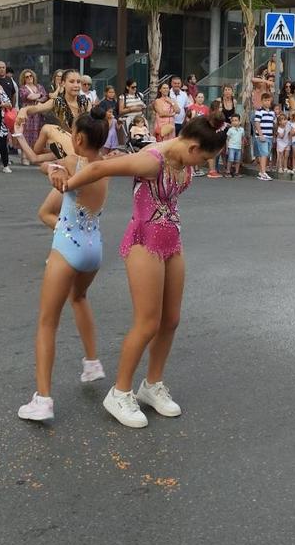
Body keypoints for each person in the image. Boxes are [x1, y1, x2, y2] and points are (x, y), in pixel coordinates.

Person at [61, 113, 228, 428]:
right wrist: (67, 184)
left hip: (172, 240)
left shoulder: (183, 157)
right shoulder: (152, 161)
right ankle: (119, 392)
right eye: (205, 158)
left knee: (171, 320)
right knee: (148, 322)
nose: (204, 164)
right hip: (143, 242)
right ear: (193, 148)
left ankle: (152, 385)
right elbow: (99, 168)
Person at [17, 109, 113, 423]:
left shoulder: (73, 162)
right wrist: (54, 167)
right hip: (94, 249)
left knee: (47, 322)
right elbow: (53, 169)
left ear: (79, 138)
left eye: (72, 132)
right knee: (79, 297)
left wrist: (53, 166)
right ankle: (92, 362)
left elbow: (43, 164)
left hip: (68, 247)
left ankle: (43, 399)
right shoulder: (105, 166)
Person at [17, 69, 48, 163]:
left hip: (38, 114)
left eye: (30, 76)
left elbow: (45, 97)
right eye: (27, 77)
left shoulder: (39, 86)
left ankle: (36, 157)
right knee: (26, 135)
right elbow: (29, 97)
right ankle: (25, 157)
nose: (29, 78)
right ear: (24, 79)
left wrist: (38, 97)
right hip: (28, 113)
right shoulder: (22, 88)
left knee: (38, 135)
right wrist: (40, 95)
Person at [253, 95, 276, 180]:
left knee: (265, 154)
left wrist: (274, 135)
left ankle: (261, 171)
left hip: (269, 136)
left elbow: (273, 124)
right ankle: (263, 172)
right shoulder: (259, 111)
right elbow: (257, 123)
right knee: (264, 154)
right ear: (262, 101)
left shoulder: (272, 112)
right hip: (262, 136)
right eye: (265, 100)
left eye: (268, 100)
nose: (267, 102)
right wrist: (261, 135)